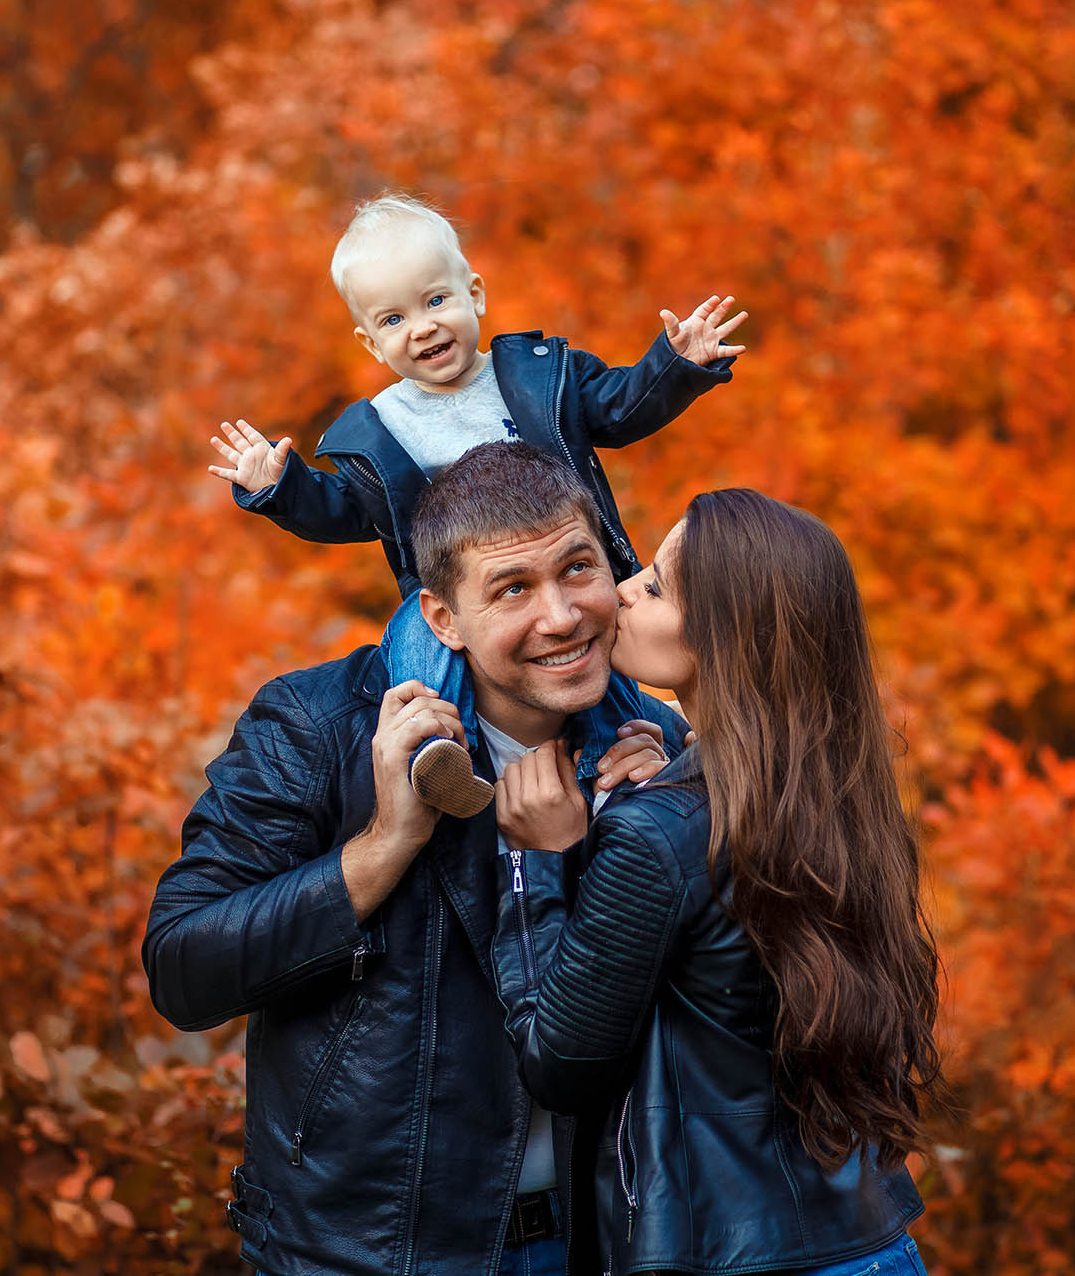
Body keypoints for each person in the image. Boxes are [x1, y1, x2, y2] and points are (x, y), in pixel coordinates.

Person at [144, 443, 690, 1276]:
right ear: (441, 617)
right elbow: (184, 968)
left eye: (577, 569)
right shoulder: (319, 726)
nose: (562, 616)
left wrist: (665, 822)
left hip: (603, 1242)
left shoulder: (654, 748)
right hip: (364, 1251)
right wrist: (382, 848)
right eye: (512, 588)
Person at [488, 489, 946, 1276]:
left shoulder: (663, 831)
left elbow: (558, 1062)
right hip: (868, 1243)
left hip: (735, 1256)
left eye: (656, 587)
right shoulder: (835, 795)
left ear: (729, 636)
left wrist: (539, 860)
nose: (624, 590)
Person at [203, 192, 745, 817]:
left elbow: (619, 407)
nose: (424, 326)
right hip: (450, 592)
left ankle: (626, 763)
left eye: (436, 301)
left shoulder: (541, 377)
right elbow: (345, 511)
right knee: (413, 645)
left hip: (565, 560)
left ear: (475, 295)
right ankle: (438, 756)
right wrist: (280, 487)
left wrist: (675, 365)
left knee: (603, 653)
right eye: (394, 320)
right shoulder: (381, 430)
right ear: (370, 344)